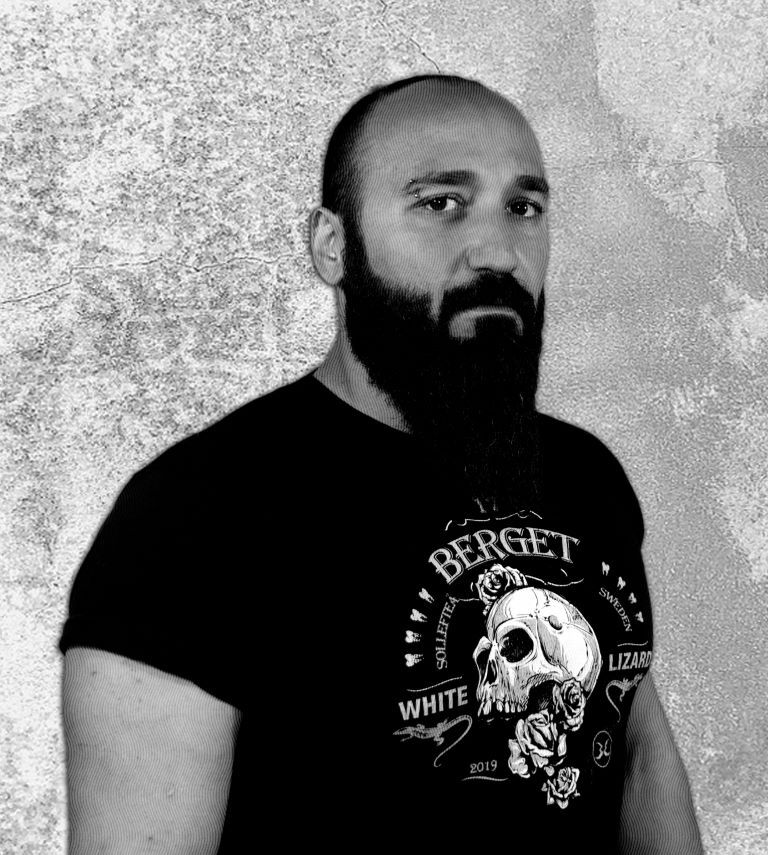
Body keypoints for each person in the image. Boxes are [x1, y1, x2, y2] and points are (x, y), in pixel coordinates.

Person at [59, 73, 704, 853]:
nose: (497, 250)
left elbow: (636, 753)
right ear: (332, 246)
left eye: (523, 207)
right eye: (441, 203)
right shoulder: (191, 517)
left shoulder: (582, 471)